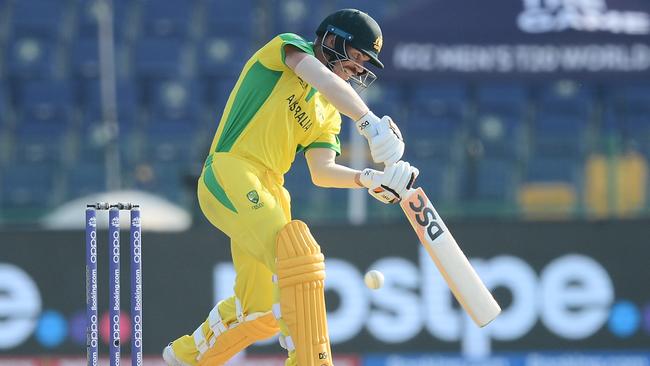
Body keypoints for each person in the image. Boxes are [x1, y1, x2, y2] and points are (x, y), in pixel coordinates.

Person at [163, 8, 418, 366]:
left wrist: (368, 179)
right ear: (331, 41)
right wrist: (367, 121)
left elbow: (322, 170)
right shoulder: (288, 50)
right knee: (297, 256)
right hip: (231, 169)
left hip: (271, 189)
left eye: (365, 63)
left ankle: (185, 358)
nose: (359, 68)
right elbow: (324, 79)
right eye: (357, 56)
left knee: (259, 312)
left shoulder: (328, 112)